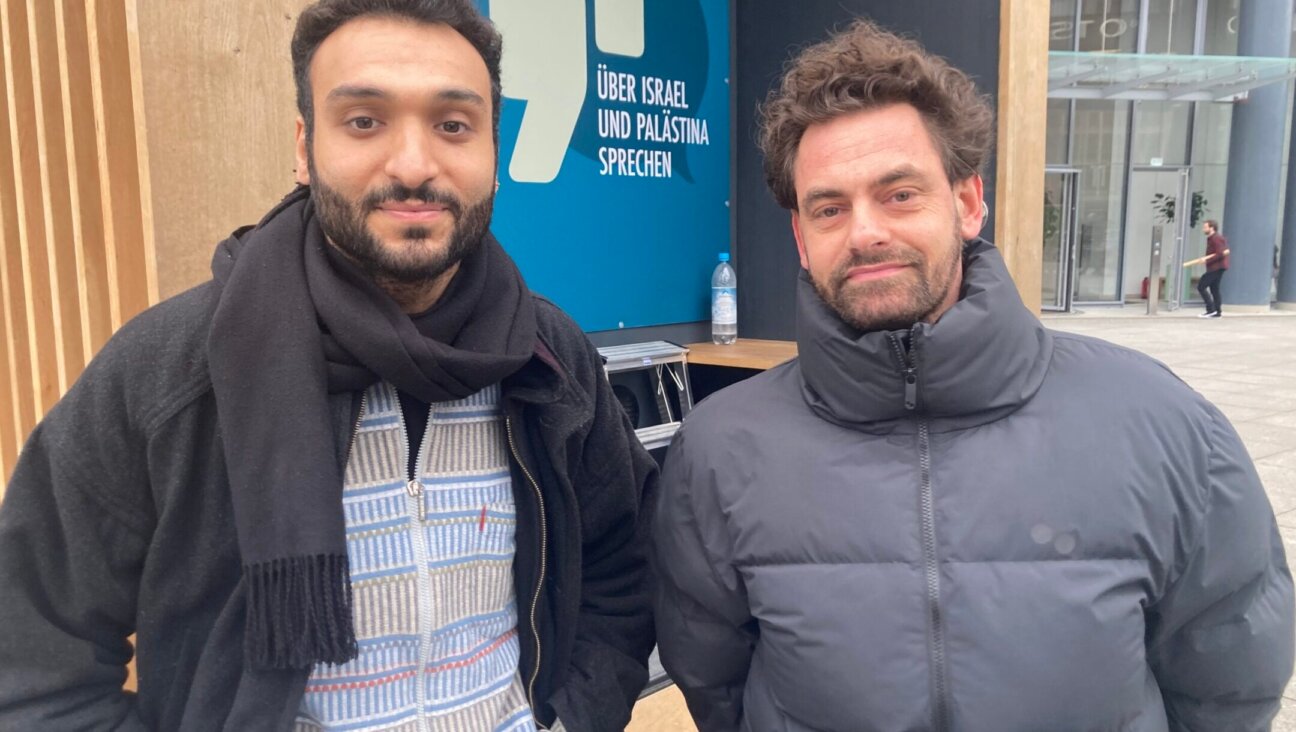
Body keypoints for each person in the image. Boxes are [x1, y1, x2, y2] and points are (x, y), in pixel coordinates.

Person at [0, 1, 657, 730]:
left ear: (492, 152)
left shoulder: (547, 357)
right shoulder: (172, 374)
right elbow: (31, 656)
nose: (413, 164)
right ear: (304, 148)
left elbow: (621, 572)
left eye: (453, 125)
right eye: (365, 121)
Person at [652, 19, 1293, 732]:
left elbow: (1228, 676)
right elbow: (711, 677)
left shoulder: (1163, 423)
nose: (865, 232)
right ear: (802, 238)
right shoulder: (721, 447)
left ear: (966, 203)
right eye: (830, 207)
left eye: (899, 194)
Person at [1198, 219, 1229, 317]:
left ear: (1212, 228)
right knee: (1214, 289)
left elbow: (1221, 253)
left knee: (1201, 286)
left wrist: (1206, 260)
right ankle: (1217, 311)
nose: (1203, 229)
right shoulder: (1212, 238)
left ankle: (1211, 310)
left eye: (1205, 227)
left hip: (1216, 267)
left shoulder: (1216, 238)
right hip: (1216, 267)